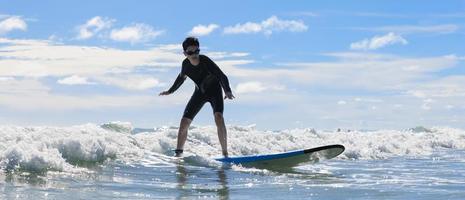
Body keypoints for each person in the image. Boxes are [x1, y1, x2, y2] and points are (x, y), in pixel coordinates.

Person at [159, 37, 235, 157]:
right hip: (200, 93)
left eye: (196, 51)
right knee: (184, 122)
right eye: (190, 52)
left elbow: (221, 75)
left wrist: (227, 91)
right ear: (185, 53)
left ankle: (225, 153)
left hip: (215, 91)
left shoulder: (205, 61)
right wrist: (170, 91)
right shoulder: (185, 65)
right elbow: (181, 78)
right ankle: (178, 154)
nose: (194, 54)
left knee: (218, 117)